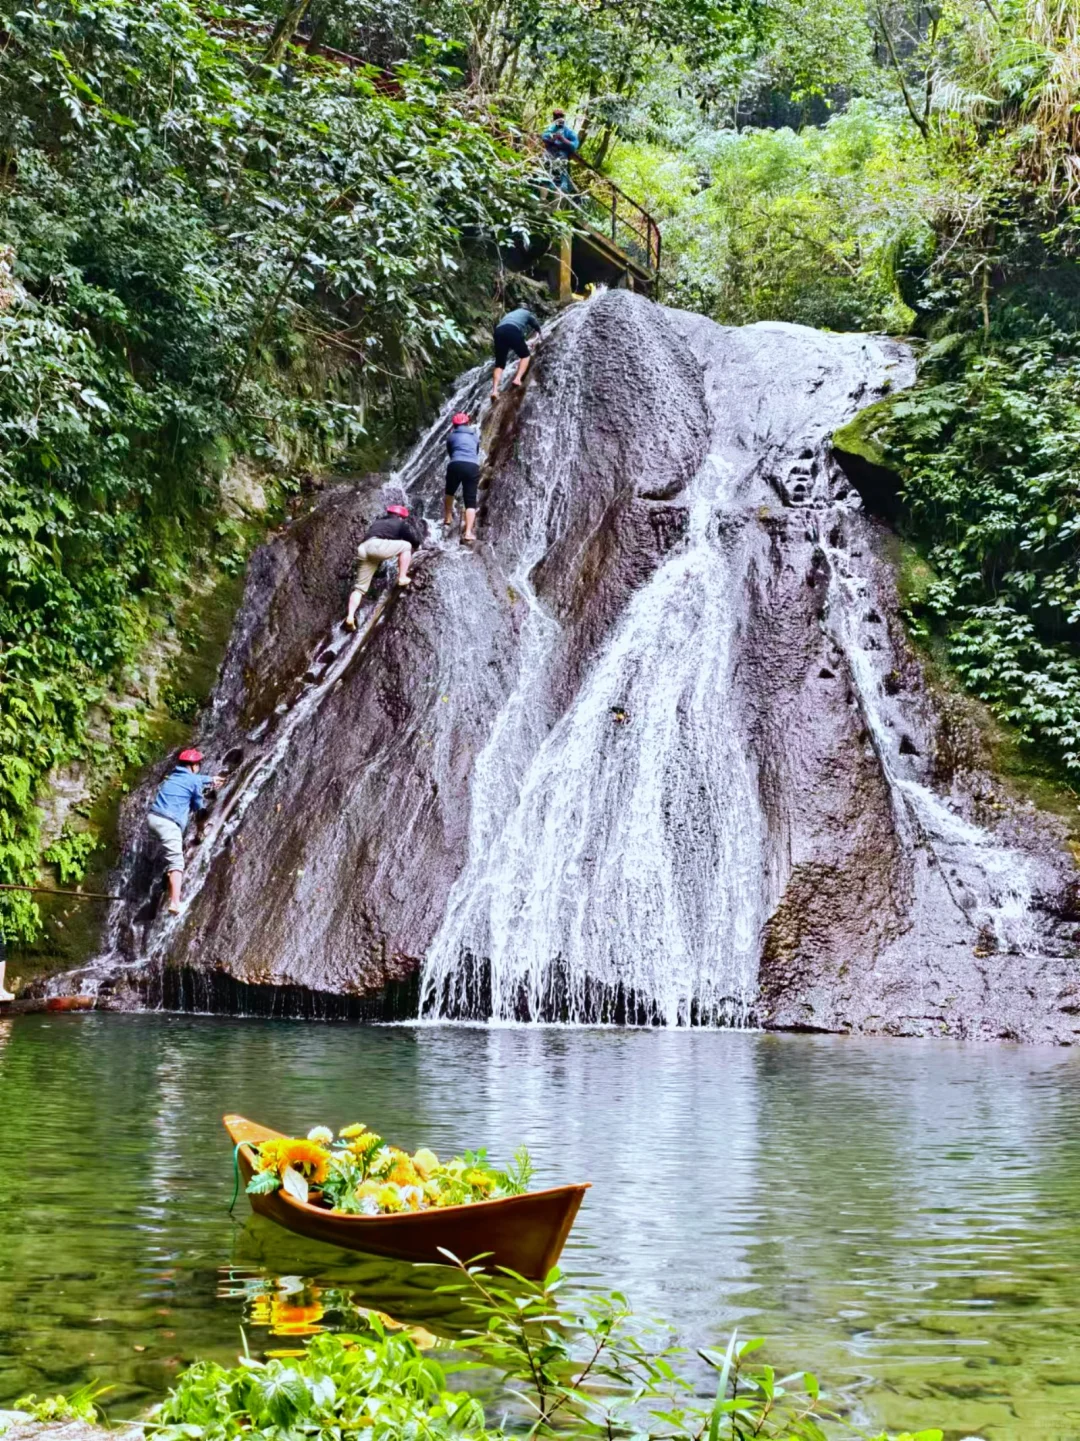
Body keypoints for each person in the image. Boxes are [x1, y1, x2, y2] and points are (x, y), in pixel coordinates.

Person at [148, 749, 224, 914]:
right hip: (168, 823)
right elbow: (198, 808)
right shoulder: (194, 780)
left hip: (153, 819)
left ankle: (167, 876)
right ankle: (175, 903)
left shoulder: (174, 776)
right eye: (199, 764)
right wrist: (201, 825)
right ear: (194, 765)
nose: (199, 766)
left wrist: (211, 780)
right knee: (177, 862)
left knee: (170, 851)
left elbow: (195, 780)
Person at [344, 501, 425, 630]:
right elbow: (414, 541)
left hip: (364, 548)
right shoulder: (400, 523)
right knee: (406, 546)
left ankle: (350, 617)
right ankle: (402, 577)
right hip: (377, 546)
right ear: (401, 517)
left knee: (359, 589)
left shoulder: (377, 522)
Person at [444, 412, 481, 543]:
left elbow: (450, 452)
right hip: (472, 466)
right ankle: (468, 532)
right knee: (470, 500)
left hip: (455, 464)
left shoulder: (451, 436)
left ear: (454, 425)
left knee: (449, 492)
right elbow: (476, 452)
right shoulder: (475, 436)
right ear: (467, 423)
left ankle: (448, 517)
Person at [491, 307, 543, 399]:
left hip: (498, 332)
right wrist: (539, 332)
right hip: (512, 330)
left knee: (499, 365)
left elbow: (517, 339)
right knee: (525, 356)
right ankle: (518, 379)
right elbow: (535, 324)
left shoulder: (511, 314)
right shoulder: (527, 313)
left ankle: (494, 391)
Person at [541, 109, 579, 193]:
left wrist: (563, 139)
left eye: (560, 116)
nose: (558, 118)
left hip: (561, 157)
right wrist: (553, 137)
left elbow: (574, 145)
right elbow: (544, 137)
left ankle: (556, 200)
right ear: (554, 118)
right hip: (549, 155)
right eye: (556, 116)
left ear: (563, 117)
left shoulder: (568, 131)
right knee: (545, 178)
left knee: (559, 181)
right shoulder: (551, 128)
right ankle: (543, 198)